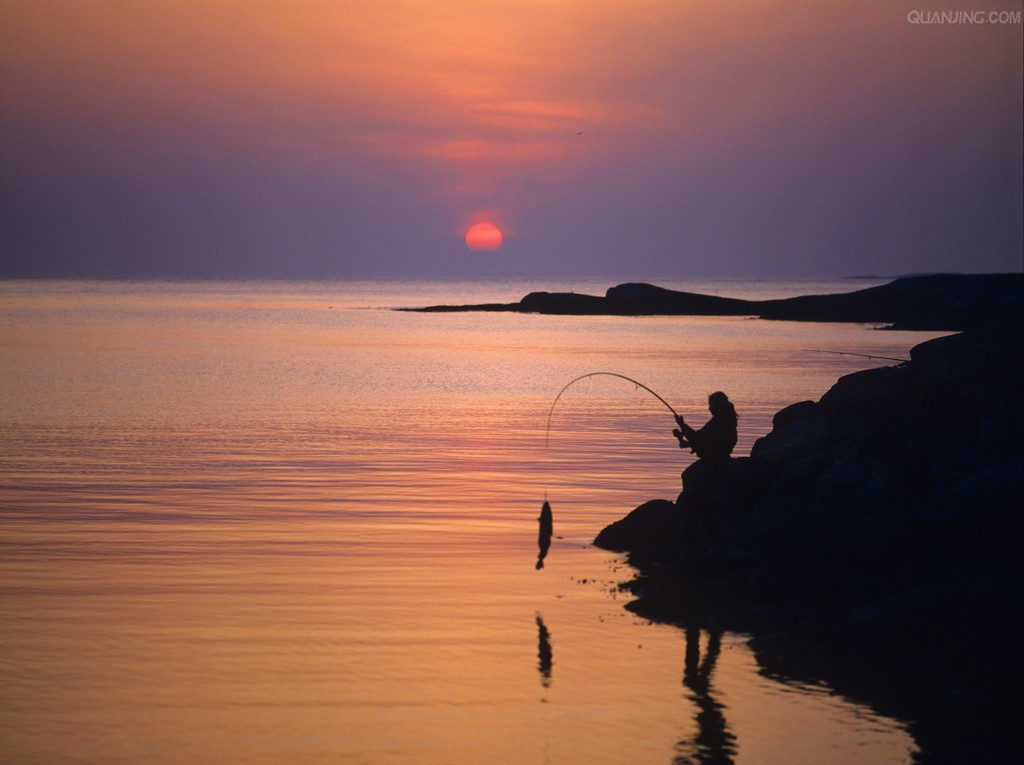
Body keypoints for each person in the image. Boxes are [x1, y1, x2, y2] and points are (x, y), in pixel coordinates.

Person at [672, 391, 738, 547]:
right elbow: (703, 439)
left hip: (715, 464)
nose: (709, 408)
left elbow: (699, 439)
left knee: (698, 501)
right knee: (688, 477)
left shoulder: (719, 423)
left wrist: (683, 426)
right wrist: (687, 442)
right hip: (717, 460)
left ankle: (703, 539)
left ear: (718, 406)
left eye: (711, 405)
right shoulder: (724, 420)